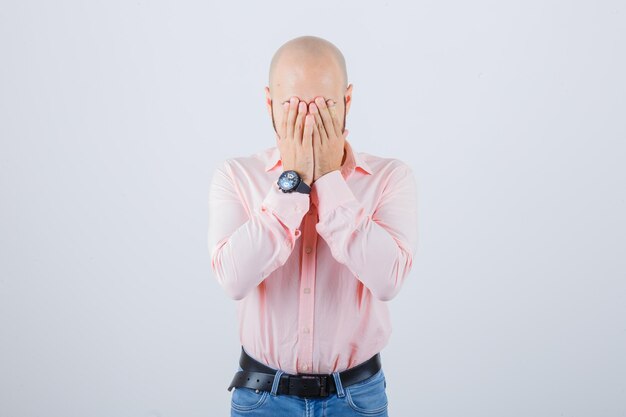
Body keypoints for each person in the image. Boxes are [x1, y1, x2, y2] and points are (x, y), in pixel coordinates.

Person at [207, 35, 418, 416]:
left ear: (348, 101)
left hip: (357, 399)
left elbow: (388, 281)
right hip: (261, 399)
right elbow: (233, 280)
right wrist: (294, 181)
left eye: (324, 106)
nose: (309, 120)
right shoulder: (236, 176)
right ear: (270, 103)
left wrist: (330, 183)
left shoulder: (390, 177)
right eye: (293, 106)